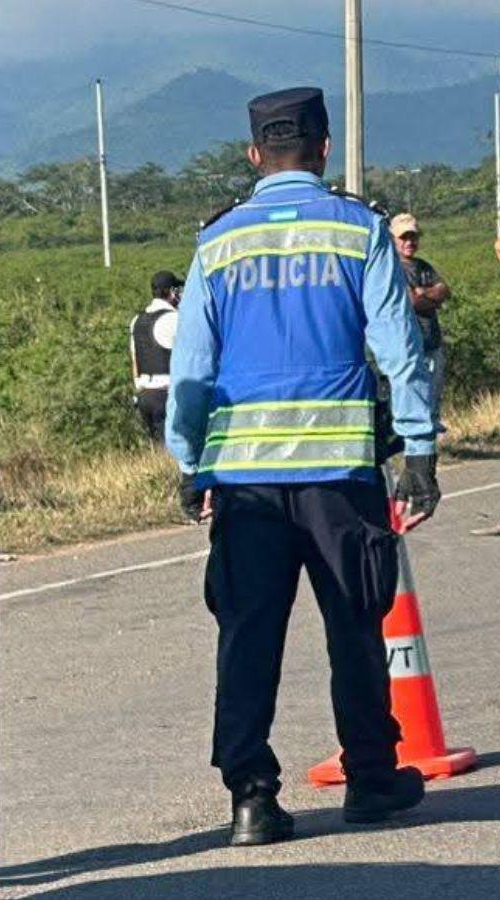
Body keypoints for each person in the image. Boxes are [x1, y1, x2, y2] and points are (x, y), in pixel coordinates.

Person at [165, 87, 441, 847]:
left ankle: (251, 799)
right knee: (355, 624)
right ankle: (373, 778)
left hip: (244, 483)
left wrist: (190, 463)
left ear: (255, 154)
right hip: (339, 476)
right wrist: (419, 449)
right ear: (324, 148)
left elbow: (192, 369)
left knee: (247, 635)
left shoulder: (218, 242)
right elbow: (399, 348)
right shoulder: (359, 230)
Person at [390, 213, 449, 430]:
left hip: (431, 343)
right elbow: (412, 302)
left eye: (413, 237)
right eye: (403, 237)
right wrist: (430, 297)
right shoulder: (392, 268)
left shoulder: (424, 266)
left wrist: (423, 293)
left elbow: (445, 290)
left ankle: (429, 445)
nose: (409, 242)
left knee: (432, 403)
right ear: (393, 238)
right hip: (408, 347)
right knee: (413, 405)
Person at [129, 270, 183, 441]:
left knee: (157, 447)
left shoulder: (136, 321)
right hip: (166, 395)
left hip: (144, 396)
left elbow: (135, 360)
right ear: (171, 292)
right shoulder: (175, 319)